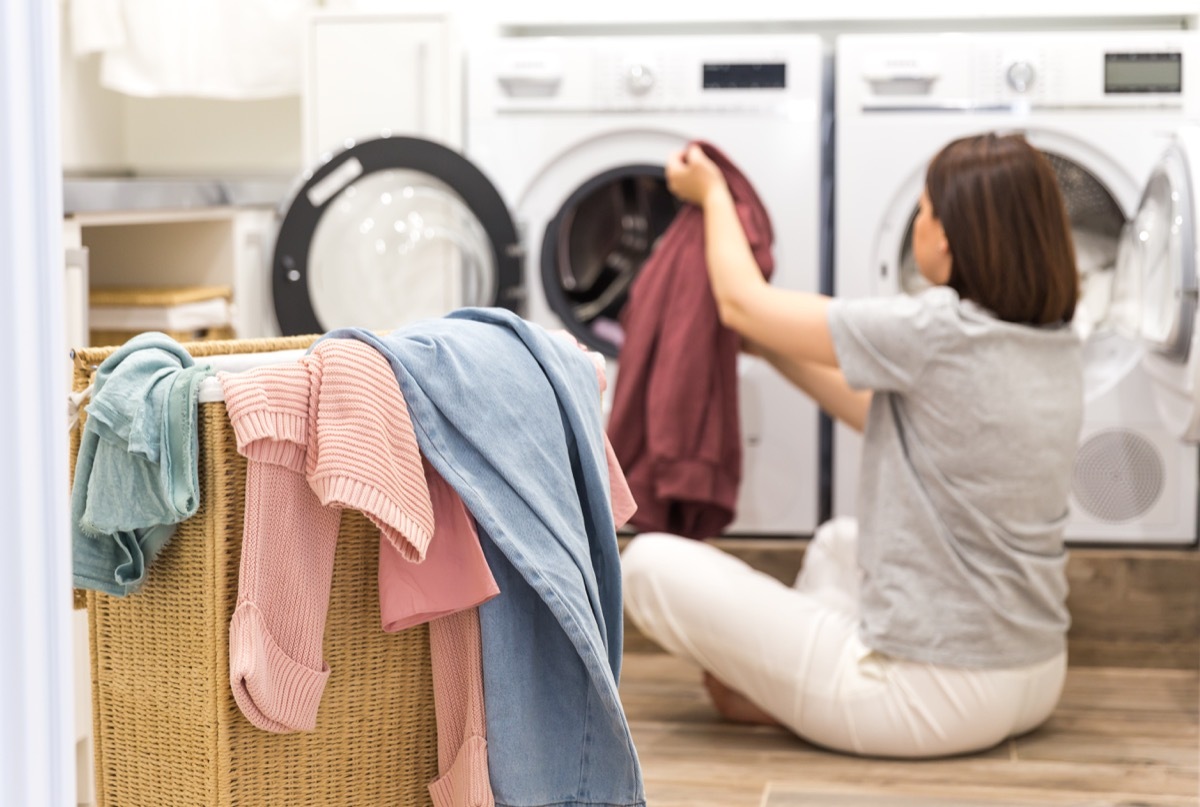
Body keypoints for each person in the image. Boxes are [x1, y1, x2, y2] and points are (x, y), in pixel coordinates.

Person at [620, 133, 1083, 758]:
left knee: (647, 563)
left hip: (929, 697)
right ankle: (790, 692)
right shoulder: (1049, 344)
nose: (918, 225)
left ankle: (798, 698)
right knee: (842, 541)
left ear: (945, 234)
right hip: (1033, 676)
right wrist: (772, 346)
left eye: (922, 210)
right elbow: (879, 414)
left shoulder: (936, 330)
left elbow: (740, 303)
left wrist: (713, 192)